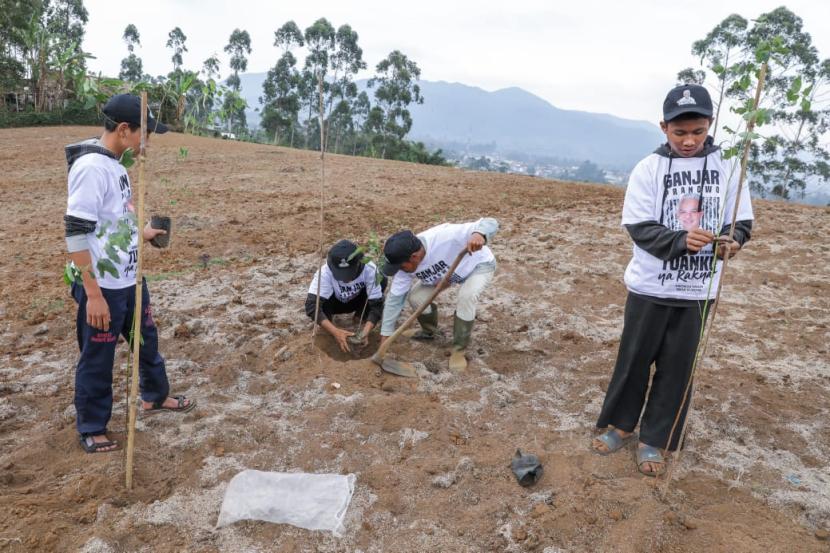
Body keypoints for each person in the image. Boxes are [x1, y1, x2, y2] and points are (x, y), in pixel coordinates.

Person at [591, 84, 754, 476]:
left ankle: (655, 439)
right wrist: (681, 240)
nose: (688, 140)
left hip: (699, 292)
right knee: (634, 360)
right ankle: (622, 426)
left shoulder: (730, 165)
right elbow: (638, 226)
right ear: (663, 127)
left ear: (710, 125)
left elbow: (741, 220)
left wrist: (733, 240)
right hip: (650, 287)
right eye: (679, 133)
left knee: (678, 367)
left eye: (697, 132)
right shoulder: (649, 168)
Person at [65, 94, 195, 454]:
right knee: (98, 358)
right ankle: (92, 427)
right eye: (144, 135)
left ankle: (154, 397)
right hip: (104, 288)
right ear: (124, 130)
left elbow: (116, 222)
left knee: (145, 341)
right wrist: (92, 294)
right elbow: (76, 233)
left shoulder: (117, 166)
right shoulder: (91, 168)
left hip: (131, 280)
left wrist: (143, 234)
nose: (146, 143)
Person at [379, 218, 498, 371]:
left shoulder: (446, 236)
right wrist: (385, 339)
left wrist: (479, 234)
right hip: (445, 276)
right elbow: (394, 301)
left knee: (467, 296)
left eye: (401, 266)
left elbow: (491, 222)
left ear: (414, 256)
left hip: (478, 265)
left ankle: (459, 350)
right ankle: (429, 332)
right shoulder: (404, 268)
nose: (400, 270)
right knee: (416, 297)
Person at [305, 239, 386, 352]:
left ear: (359, 263)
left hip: (358, 301)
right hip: (335, 304)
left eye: (349, 273)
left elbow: (377, 305)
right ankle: (328, 325)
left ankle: (360, 316)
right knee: (319, 302)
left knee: (382, 280)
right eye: (340, 275)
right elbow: (311, 306)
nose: (345, 279)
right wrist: (335, 332)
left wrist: (366, 330)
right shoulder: (324, 273)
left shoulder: (370, 269)